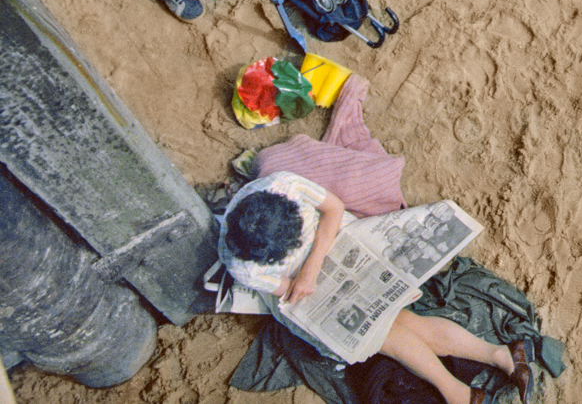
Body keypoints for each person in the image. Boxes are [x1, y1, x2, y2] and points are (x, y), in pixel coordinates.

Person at [212, 173, 532, 404]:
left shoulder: (282, 186)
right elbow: (292, 292)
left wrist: (311, 264)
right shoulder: (244, 267)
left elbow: (333, 209)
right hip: (317, 293)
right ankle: (500, 357)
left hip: (343, 247)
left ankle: (465, 390)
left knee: (390, 333)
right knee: (393, 327)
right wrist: (308, 277)